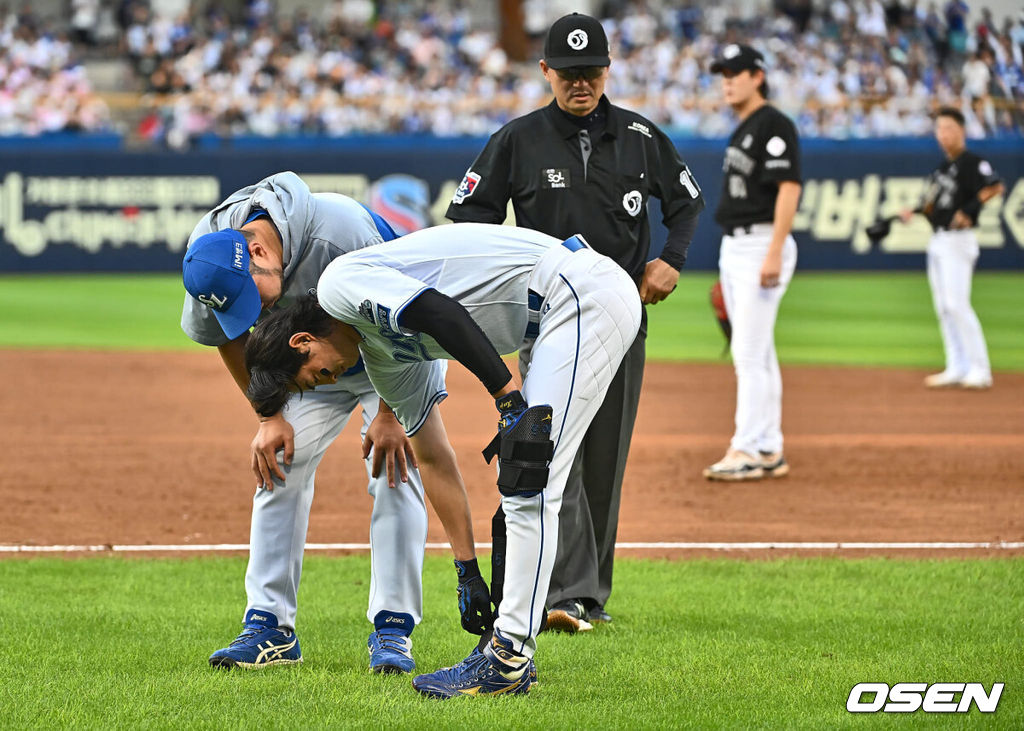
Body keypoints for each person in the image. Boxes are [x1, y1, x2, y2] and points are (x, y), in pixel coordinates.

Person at [243, 222, 642, 697]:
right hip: (555, 315)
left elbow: (439, 311)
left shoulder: (338, 286)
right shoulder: (382, 359)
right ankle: (507, 649)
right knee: (521, 475)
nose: (324, 383)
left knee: (529, 474)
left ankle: (507, 658)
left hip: (578, 291)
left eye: (309, 378)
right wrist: (465, 568)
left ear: (301, 342)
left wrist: (509, 399)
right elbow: (432, 459)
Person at [446, 12, 704, 633]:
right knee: (551, 445)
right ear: (546, 73)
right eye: (567, 73)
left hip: (623, 315)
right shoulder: (517, 138)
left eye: (589, 72)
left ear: (607, 70)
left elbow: (688, 201)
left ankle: (586, 597)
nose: (579, 84)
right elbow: (469, 218)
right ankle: (562, 594)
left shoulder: (642, 136)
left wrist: (671, 259)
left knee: (605, 458)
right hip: (549, 319)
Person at [180, 172, 489, 672]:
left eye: (250, 297)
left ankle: (393, 629)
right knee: (279, 460)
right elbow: (227, 337)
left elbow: (412, 315)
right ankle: (268, 627)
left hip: (394, 350)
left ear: (259, 251)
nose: (252, 310)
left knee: (397, 466)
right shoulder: (210, 254)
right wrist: (269, 414)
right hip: (308, 366)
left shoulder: (339, 233)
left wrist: (391, 414)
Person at [703, 44, 802, 482]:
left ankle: (744, 446)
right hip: (737, 246)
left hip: (761, 241)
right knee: (760, 353)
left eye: (735, 72)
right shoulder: (744, 127)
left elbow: (789, 188)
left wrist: (775, 250)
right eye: (722, 72)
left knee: (747, 352)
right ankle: (768, 447)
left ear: (757, 76)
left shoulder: (774, 124)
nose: (727, 79)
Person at [900, 107, 1004, 389]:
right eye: (939, 129)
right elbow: (932, 204)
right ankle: (957, 365)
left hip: (959, 240)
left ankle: (980, 369)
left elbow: (995, 186)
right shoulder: (941, 169)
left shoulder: (973, 162)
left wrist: (969, 209)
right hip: (938, 239)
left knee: (957, 304)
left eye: (949, 128)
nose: (943, 134)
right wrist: (914, 212)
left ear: (962, 131)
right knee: (944, 307)